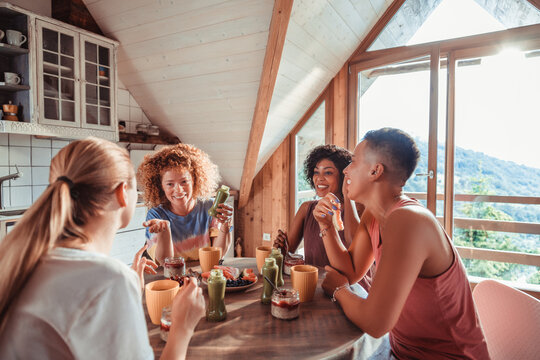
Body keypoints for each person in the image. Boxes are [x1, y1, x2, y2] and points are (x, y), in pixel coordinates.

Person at [0, 137, 205, 360]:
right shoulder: (109, 281)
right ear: (121, 193)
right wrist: (182, 327)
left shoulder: (21, 260)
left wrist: (129, 297)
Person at [315, 128, 489, 359]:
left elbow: (375, 322)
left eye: (353, 162)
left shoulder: (409, 220)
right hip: (399, 351)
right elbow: (351, 270)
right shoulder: (374, 215)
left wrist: (339, 290)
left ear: (375, 170)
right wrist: (325, 224)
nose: (346, 169)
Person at [138, 143, 233, 264]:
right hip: (171, 276)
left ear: (195, 180)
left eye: (184, 182)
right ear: (160, 186)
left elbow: (218, 254)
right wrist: (164, 231)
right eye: (170, 184)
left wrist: (225, 226)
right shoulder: (156, 215)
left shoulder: (210, 207)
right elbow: (164, 262)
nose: (178, 190)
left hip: (202, 273)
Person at [273, 144, 363, 267]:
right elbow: (288, 254)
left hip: (349, 285)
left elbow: (357, 249)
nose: (319, 178)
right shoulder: (306, 209)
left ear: (343, 175)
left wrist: (347, 194)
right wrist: (280, 249)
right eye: (316, 172)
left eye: (328, 172)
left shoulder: (358, 209)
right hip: (314, 284)